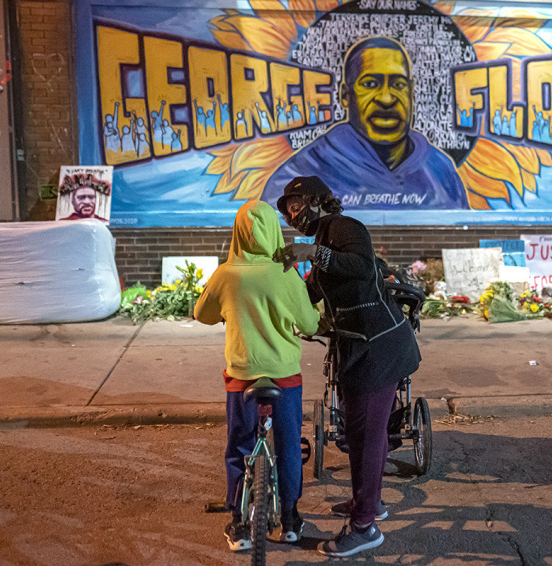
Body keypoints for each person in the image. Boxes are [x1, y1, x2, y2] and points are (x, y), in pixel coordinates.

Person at [277, 176, 421, 557]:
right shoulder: (323, 237)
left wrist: (312, 253)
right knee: (357, 434)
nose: (293, 215)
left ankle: (364, 526)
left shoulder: (344, 227)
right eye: (288, 211)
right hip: (355, 347)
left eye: (296, 204)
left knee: (369, 436)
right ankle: (367, 504)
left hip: (379, 346)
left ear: (317, 200)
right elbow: (312, 293)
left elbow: (359, 266)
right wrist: (282, 300)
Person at [194, 200, 320, 552]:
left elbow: (201, 313)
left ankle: (238, 521)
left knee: (239, 444)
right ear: (274, 231)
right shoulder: (286, 273)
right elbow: (310, 323)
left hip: (242, 375)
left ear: (237, 232)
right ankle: (291, 519)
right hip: (284, 375)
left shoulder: (225, 275)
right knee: (289, 444)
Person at [262, 37, 467, 210]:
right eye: (370, 84)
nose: (387, 99)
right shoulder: (298, 176)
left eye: (398, 84)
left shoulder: (441, 171)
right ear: (345, 95)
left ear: (412, 93)